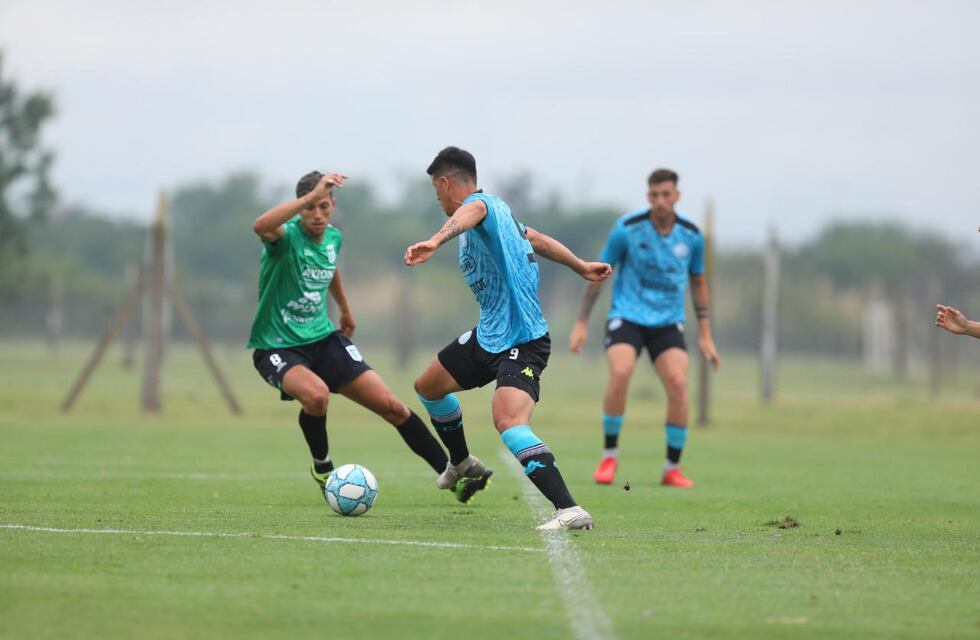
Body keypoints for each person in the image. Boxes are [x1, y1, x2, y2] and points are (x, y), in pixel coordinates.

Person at [404, 146, 612, 530]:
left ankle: (568, 509)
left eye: (437, 191)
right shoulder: (503, 221)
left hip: (524, 340)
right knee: (428, 386)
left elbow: (472, 209)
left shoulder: (482, 207)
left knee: (509, 421)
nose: (438, 199)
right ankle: (462, 461)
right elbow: (537, 238)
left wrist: (435, 241)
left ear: (446, 183)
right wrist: (581, 266)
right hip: (489, 336)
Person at [248, 171, 480, 504]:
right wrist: (309, 196)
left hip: (324, 340)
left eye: (323, 207)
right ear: (300, 209)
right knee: (316, 397)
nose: (317, 215)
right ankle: (322, 467)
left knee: (393, 407)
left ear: (333, 206)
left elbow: (331, 269)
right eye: (310, 208)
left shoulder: (332, 238)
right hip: (276, 345)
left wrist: (344, 309)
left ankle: (452, 476)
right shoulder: (283, 237)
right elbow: (260, 225)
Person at [569, 168, 720, 488]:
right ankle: (609, 456)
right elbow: (597, 274)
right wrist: (582, 322)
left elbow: (698, 282)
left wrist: (705, 334)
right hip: (628, 316)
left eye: (667, 195)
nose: (660, 201)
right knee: (621, 373)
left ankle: (671, 468)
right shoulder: (627, 229)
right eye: (654, 195)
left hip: (667, 322)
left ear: (677, 196)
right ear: (647, 196)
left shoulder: (691, 236)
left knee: (679, 383)